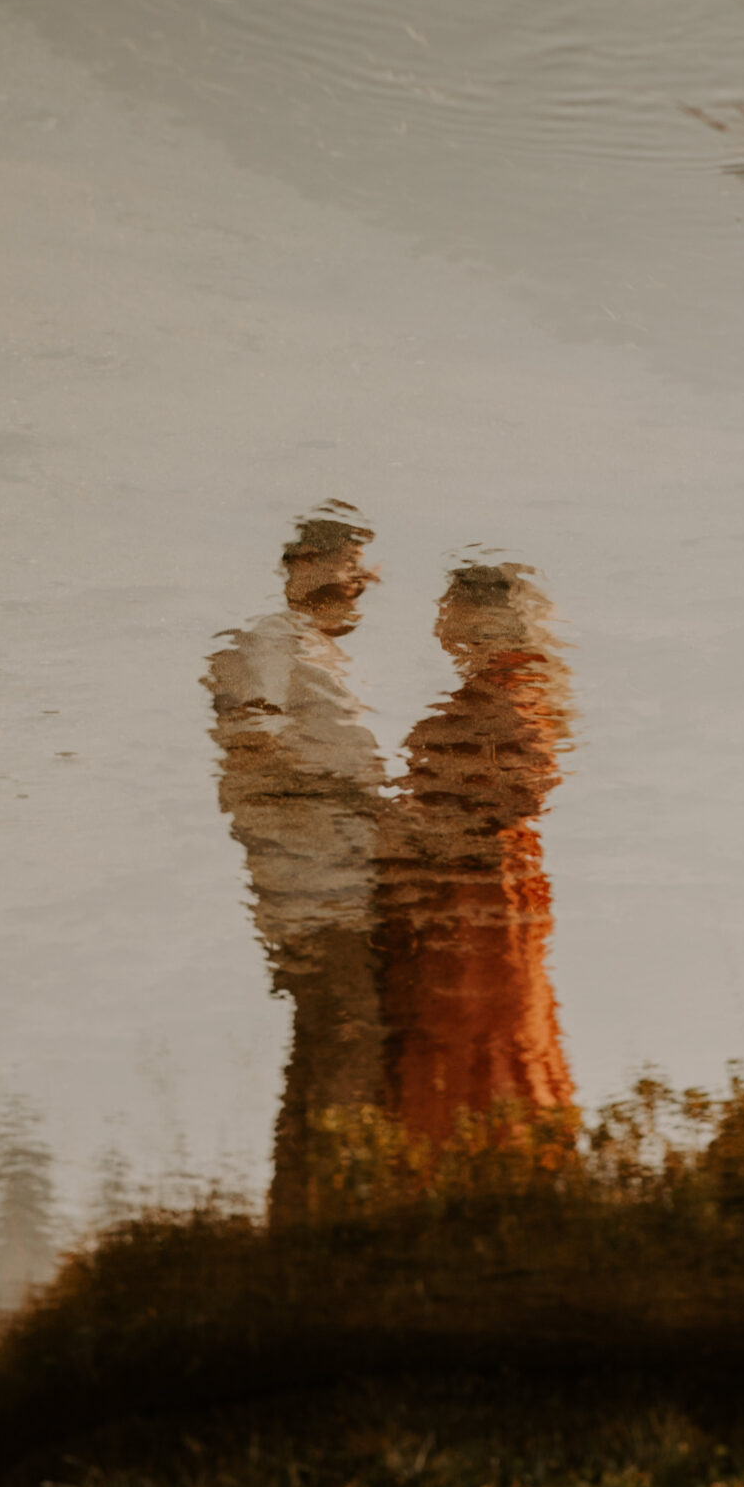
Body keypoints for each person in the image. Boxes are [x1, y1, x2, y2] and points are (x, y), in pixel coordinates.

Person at [205, 509, 387, 1220]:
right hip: (311, 883)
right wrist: (357, 797)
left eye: (362, 571)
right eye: (345, 566)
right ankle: (331, 1218)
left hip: (336, 878)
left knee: (327, 1043)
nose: (359, 583)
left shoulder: (319, 652)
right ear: (298, 567)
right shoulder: (274, 640)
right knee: (346, 1039)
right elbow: (251, 744)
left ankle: (307, 1219)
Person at [375, 562, 578, 1143]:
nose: (441, 619)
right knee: (468, 1028)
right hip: (463, 894)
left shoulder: (515, 686)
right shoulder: (504, 685)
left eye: (450, 606)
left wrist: (416, 834)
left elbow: (521, 792)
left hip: (477, 894)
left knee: (474, 1025)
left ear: (487, 616)